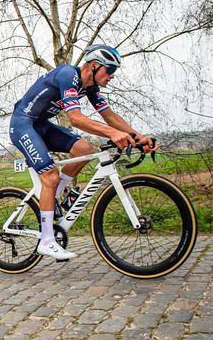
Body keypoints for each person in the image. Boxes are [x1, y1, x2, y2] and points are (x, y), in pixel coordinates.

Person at [9, 44, 158, 260]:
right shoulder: (69, 74)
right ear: (95, 66)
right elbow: (75, 118)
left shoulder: (89, 88)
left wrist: (137, 137)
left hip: (41, 125)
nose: (112, 77)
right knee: (49, 176)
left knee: (85, 149)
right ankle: (47, 241)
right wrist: (113, 134)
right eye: (111, 71)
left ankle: (57, 197)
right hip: (23, 125)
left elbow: (110, 116)